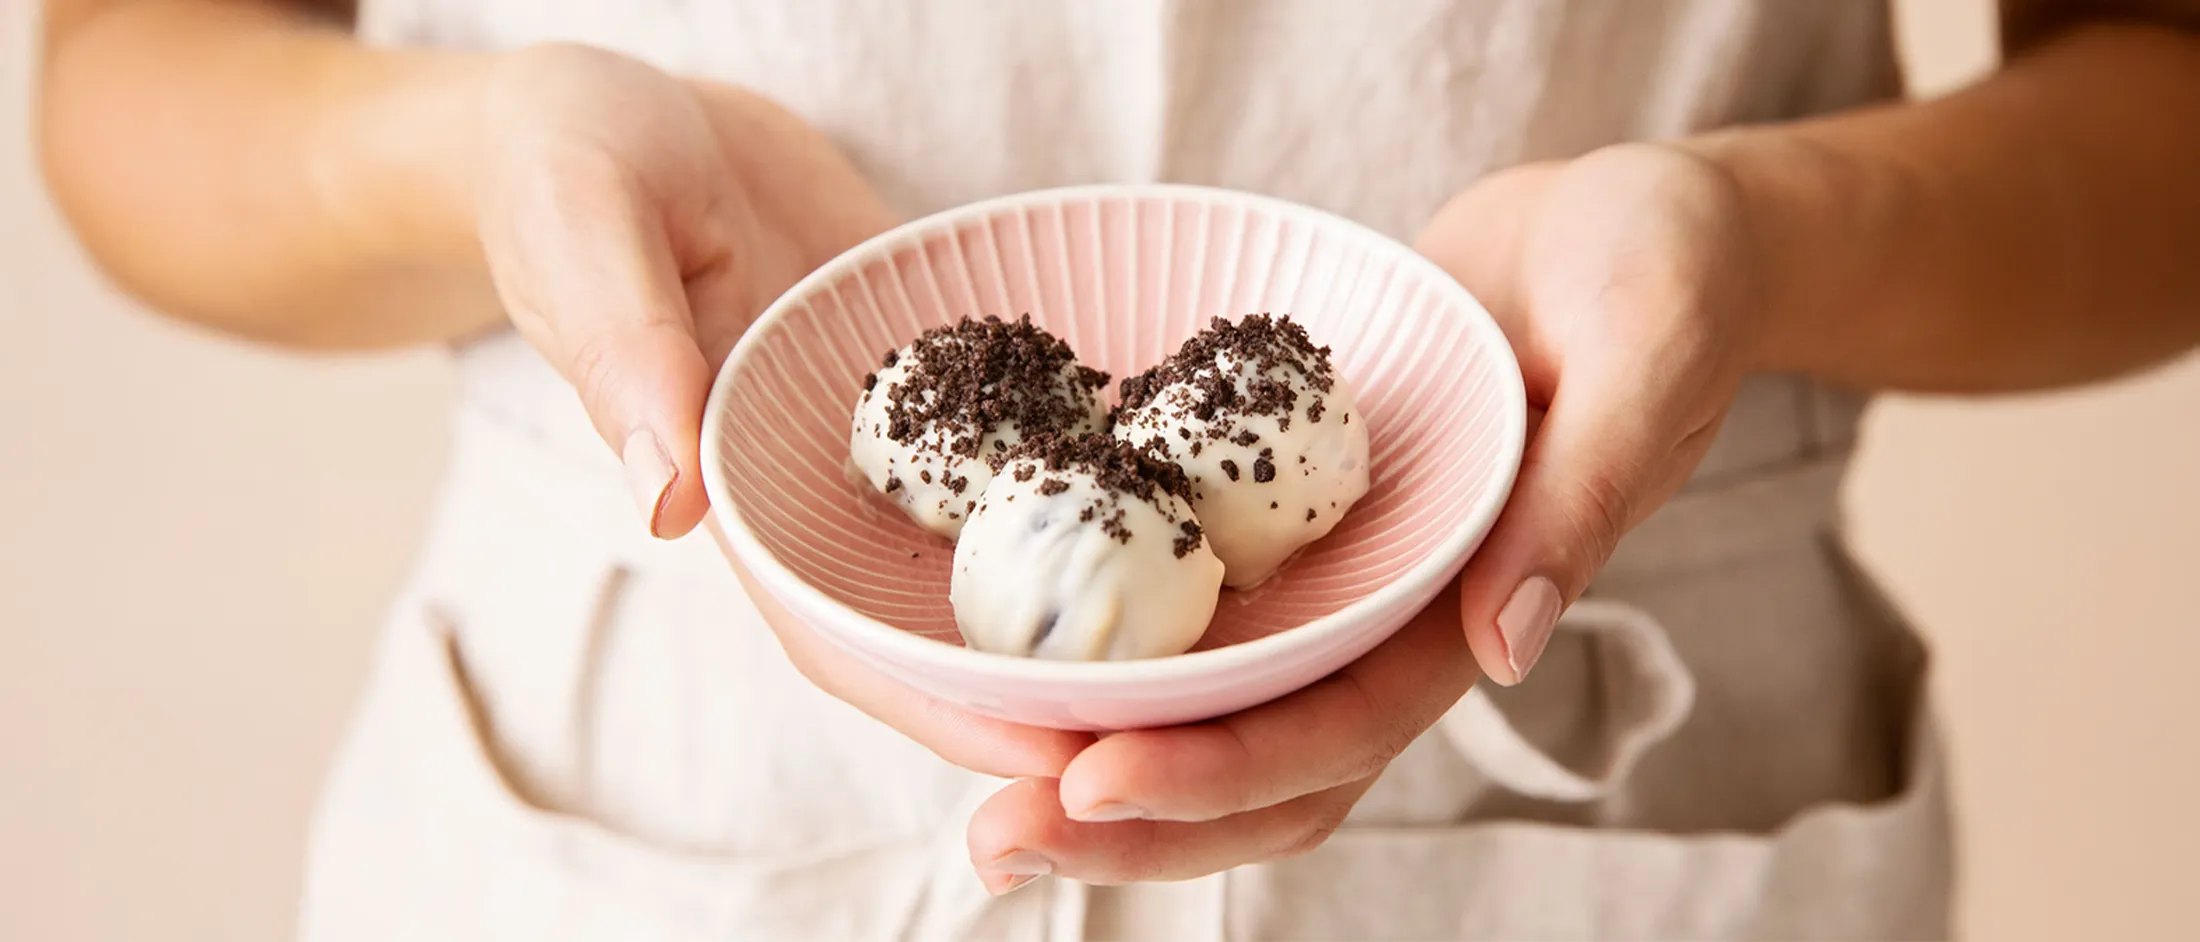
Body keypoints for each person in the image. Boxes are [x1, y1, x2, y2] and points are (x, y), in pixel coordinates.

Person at [36, 0, 2200, 938]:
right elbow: (123, 88)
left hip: (1610, 774)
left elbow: (2152, 117)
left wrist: (1760, 232)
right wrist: (488, 156)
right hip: (651, 794)